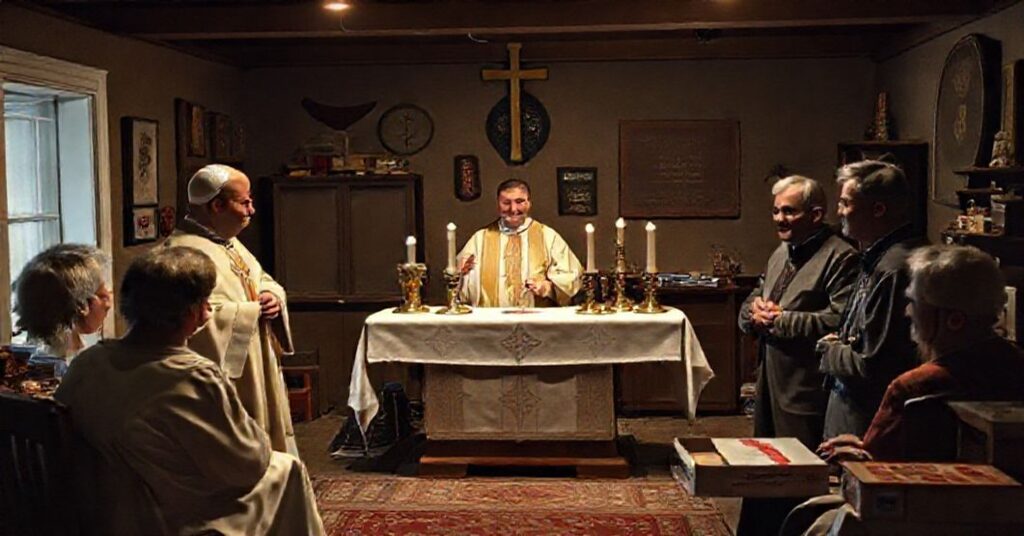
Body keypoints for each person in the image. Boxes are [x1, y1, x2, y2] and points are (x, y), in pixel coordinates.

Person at [54, 247, 324, 535]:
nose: (208, 312)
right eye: (205, 302)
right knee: (287, 471)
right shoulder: (191, 376)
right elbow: (247, 463)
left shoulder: (88, 363)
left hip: (100, 510)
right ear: (192, 311)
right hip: (168, 518)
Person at [785, 245, 1024, 536]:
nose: (907, 312)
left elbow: (875, 472)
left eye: (915, 302)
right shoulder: (1015, 365)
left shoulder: (914, 387)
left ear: (954, 320)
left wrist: (854, 454)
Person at [736, 176, 858, 536]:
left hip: (806, 387)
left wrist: (782, 322)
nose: (779, 219)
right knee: (762, 472)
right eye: (775, 211)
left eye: (789, 211)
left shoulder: (841, 257)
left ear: (816, 214)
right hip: (770, 384)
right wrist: (752, 313)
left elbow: (841, 320)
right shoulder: (781, 253)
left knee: (799, 477)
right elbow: (754, 299)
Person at [164, 164, 297, 454]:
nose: (252, 210)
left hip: (257, 359)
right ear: (217, 205)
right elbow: (188, 321)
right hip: (226, 374)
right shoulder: (181, 254)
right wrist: (249, 313)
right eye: (245, 201)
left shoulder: (229, 243)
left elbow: (260, 278)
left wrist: (270, 294)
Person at [817, 159, 926, 440]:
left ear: (878, 210)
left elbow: (874, 365)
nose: (838, 212)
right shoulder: (878, 258)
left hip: (865, 415)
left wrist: (831, 351)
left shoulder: (893, 268)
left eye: (846, 203)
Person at [458, 179, 582, 307]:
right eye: (506, 203)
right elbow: (458, 280)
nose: (513, 209)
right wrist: (462, 272)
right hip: (493, 322)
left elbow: (571, 276)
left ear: (529, 203)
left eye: (519, 201)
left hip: (536, 321)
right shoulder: (480, 239)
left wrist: (548, 288)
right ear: (498, 205)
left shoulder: (548, 236)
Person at [13, 244, 112, 376]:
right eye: (101, 294)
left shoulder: (27, 361)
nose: (108, 301)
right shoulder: (74, 371)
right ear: (82, 306)